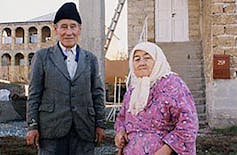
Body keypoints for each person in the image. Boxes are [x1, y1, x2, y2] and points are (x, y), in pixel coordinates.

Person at [26, 2, 106, 155]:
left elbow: (97, 93)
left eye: (73, 26)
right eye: (63, 26)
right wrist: (32, 126)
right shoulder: (42, 57)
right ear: (55, 29)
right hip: (51, 131)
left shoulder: (90, 59)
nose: (68, 32)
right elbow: (34, 93)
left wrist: (100, 124)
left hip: (83, 130)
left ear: (79, 29)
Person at [114, 42, 199, 155]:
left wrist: (167, 149)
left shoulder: (172, 84)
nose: (142, 63)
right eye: (137, 59)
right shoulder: (133, 89)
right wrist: (120, 131)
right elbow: (122, 117)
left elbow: (188, 123)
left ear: (158, 61)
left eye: (147, 58)